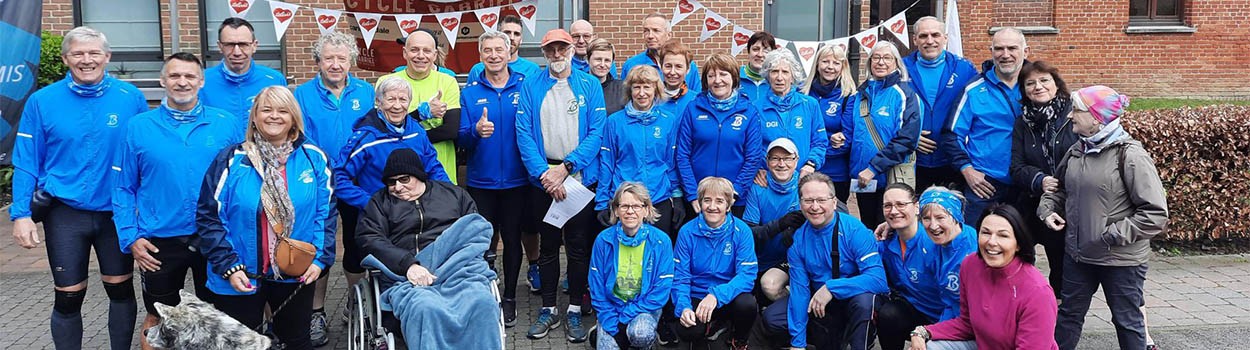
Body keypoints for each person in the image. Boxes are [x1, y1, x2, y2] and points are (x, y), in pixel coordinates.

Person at [11, 26, 147, 350]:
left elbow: (145, 156)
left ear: (107, 57)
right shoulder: (42, 102)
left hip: (116, 213)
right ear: (65, 59)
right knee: (69, 297)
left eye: (94, 53)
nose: (86, 60)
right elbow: (27, 161)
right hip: (64, 213)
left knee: (121, 290)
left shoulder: (132, 99)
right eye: (78, 53)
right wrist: (20, 214)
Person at [113, 52, 242, 350]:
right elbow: (122, 188)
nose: (182, 82)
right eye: (174, 76)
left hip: (215, 238)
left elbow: (241, 181)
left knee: (217, 317)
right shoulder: (138, 127)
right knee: (157, 317)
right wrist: (131, 237)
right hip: (159, 241)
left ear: (201, 81)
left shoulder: (226, 123)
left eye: (189, 76)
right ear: (163, 80)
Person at [197, 86, 333, 350]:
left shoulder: (314, 158)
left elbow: (325, 214)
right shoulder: (231, 160)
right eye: (266, 110)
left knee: (297, 342)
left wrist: (320, 259)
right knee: (238, 345)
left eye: (282, 110)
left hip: (295, 271)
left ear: (293, 117)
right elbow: (209, 216)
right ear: (254, 117)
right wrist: (229, 265)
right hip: (240, 274)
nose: (274, 116)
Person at [1039, 86, 1168, 350]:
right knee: (1067, 318)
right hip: (1078, 256)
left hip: (1120, 260)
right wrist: (1048, 209)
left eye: (1077, 110)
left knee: (1127, 322)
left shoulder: (1131, 155)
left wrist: (1111, 235)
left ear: (1097, 118)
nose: (1070, 116)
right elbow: (1060, 190)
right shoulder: (1077, 150)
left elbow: (1155, 214)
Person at [515, 28, 607, 343]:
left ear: (570, 50)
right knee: (549, 247)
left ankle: (574, 310)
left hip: (579, 178)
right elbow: (523, 133)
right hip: (544, 181)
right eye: (551, 49)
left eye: (562, 48)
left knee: (579, 248)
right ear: (544, 53)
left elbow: (597, 132)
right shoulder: (531, 85)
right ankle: (549, 308)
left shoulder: (589, 84)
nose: (557, 54)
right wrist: (546, 174)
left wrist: (566, 168)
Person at [292, 31, 375, 345]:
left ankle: (356, 303)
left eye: (342, 58)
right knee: (319, 248)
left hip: (357, 182)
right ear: (318, 62)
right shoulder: (302, 94)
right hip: (317, 184)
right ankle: (316, 313)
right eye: (329, 58)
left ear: (351, 61)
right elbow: (301, 139)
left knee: (357, 246)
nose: (336, 64)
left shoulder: (366, 92)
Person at [354, 148, 480, 345]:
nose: (397, 186)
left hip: (455, 271)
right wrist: (408, 265)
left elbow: (473, 230)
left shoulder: (454, 195)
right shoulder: (379, 203)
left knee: (481, 301)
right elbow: (369, 238)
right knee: (425, 307)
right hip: (405, 277)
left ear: (419, 175)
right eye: (391, 182)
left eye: (404, 179)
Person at [334, 77, 452, 286]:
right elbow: (339, 178)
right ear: (378, 102)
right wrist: (369, 203)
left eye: (403, 99)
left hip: (416, 210)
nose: (397, 105)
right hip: (383, 216)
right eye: (390, 100)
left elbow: (433, 166)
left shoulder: (416, 130)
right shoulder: (365, 137)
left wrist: (449, 194)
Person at [750, 172, 887, 350]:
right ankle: (821, 339)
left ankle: (860, 342)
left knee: (864, 303)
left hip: (851, 296)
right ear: (800, 204)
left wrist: (832, 287)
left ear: (834, 201)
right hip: (819, 299)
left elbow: (879, 280)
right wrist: (797, 344)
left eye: (821, 200)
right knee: (773, 318)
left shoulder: (854, 230)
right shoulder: (798, 238)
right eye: (808, 201)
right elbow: (799, 290)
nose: (815, 207)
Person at [908, 204, 1058, 350]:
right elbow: (967, 324)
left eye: (1003, 235)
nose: (991, 242)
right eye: (985, 233)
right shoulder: (970, 265)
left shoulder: (1038, 292)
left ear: (1018, 243)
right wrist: (923, 332)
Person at [457, 30, 529, 327]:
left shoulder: (525, 87)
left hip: (517, 180)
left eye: (500, 49)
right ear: (481, 54)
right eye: (488, 50)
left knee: (512, 239)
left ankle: (510, 296)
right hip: (481, 182)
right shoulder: (470, 92)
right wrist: (475, 131)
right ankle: (485, 296)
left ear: (510, 50)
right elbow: (460, 139)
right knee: (483, 242)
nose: (494, 55)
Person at [942, 28, 1030, 224]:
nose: (1005, 54)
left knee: (1022, 247)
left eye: (1012, 48)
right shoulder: (973, 89)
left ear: (1026, 52)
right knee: (973, 245)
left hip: (1026, 182)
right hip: (984, 184)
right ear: (991, 51)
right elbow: (951, 135)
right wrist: (967, 170)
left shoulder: (1038, 85)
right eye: (999, 48)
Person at [873, 184, 977, 349]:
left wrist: (929, 333)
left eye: (941, 217)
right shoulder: (940, 242)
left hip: (968, 326)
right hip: (927, 313)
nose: (933, 225)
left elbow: (960, 310)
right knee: (888, 313)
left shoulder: (969, 252)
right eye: (927, 218)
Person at [1008, 61, 1076, 297]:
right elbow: (1016, 167)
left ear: (1056, 84)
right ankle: (1025, 300)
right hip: (1033, 199)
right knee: (1019, 252)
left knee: (1061, 261)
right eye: (1030, 83)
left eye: (1044, 80)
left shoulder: (1074, 115)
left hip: (1068, 202)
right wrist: (1039, 180)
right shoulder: (1022, 123)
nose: (1038, 87)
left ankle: (1058, 310)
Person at [595, 65, 683, 236]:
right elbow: (607, 163)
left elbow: (671, 162)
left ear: (656, 89)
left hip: (658, 197)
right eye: (637, 87)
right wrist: (601, 202)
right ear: (630, 90)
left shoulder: (668, 121)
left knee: (657, 254)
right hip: (625, 200)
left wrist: (677, 196)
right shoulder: (614, 122)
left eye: (647, 87)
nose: (642, 93)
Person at [672, 177, 758, 349]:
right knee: (688, 331)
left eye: (719, 201)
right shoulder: (686, 232)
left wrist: (716, 295)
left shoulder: (742, 232)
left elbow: (747, 275)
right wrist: (684, 307)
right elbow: (680, 277)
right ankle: (710, 325)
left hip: (728, 294)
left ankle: (739, 339)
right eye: (707, 200)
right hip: (697, 295)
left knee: (747, 304)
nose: (712, 206)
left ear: (728, 205)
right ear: (700, 203)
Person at [675, 53, 764, 218]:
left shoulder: (749, 112)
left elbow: (753, 158)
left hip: (734, 200)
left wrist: (734, 193)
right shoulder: (692, 109)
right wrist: (693, 194)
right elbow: (682, 155)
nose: (717, 80)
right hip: (699, 200)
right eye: (711, 75)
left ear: (734, 78)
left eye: (723, 74)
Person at [588, 183, 676, 350]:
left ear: (646, 210)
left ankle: (643, 342)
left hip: (644, 308)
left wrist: (625, 317)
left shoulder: (661, 241)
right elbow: (596, 286)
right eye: (625, 206)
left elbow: (661, 291)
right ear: (616, 210)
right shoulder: (603, 240)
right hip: (612, 308)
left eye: (636, 206)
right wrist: (612, 323)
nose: (630, 211)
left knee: (641, 334)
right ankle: (603, 331)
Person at [902, 17, 978, 192]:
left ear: (945, 38)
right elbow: (886, 112)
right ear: (915, 40)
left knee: (949, 215)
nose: (930, 41)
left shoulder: (964, 69)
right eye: (923, 36)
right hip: (913, 161)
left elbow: (978, 111)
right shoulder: (901, 68)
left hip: (951, 160)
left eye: (935, 35)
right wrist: (909, 137)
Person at [377, 29, 463, 184]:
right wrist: (423, 113)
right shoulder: (386, 82)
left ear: (435, 55)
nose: (421, 56)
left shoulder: (448, 81)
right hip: (399, 178)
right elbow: (383, 130)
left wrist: (404, 135)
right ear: (404, 53)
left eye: (427, 51)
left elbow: (450, 130)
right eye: (414, 50)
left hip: (440, 174)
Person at [851, 42, 922, 228]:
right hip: (864, 180)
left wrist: (873, 168)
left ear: (896, 63)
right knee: (868, 227)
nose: (881, 62)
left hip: (890, 175)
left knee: (892, 229)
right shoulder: (860, 95)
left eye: (887, 58)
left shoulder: (904, 94)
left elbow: (907, 140)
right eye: (876, 57)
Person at [741, 138, 807, 304]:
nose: (781, 164)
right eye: (775, 158)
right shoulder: (758, 187)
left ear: (797, 160)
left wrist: (796, 231)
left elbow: (834, 212)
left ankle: (806, 310)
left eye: (787, 158)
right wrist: (779, 225)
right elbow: (749, 233)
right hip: (765, 260)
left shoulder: (806, 185)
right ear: (767, 161)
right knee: (766, 288)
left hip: (798, 258)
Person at [755, 49, 827, 183]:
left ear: (793, 76)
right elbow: (751, 146)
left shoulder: (810, 105)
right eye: (774, 71)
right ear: (767, 76)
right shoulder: (755, 108)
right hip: (767, 181)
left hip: (802, 179)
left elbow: (820, 142)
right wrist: (757, 168)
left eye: (785, 72)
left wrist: (811, 164)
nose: (779, 77)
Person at [200, 18, 287, 119]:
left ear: (254, 46)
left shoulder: (274, 80)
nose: (237, 52)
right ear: (220, 46)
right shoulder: (202, 82)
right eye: (230, 45)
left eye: (243, 44)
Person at [805, 44, 859, 203]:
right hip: (805, 169)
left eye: (836, 63)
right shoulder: (803, 93)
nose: (830, 67)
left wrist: (816, 156)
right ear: (817, 64)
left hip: (836, 172)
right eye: (825, 61)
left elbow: (847, 139)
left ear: (843, 67)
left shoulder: (849, 96)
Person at [621, 12, 701, 93]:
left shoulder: (686, 64)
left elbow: (697, 97)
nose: (650, 36)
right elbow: (624, 98)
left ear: (668, 35)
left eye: (656, 31)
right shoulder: (631, 65)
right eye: (646, 31)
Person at [468, 15, 542, 80]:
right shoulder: (478, 69)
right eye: (507, 33)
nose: (512, 37)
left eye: (516, 34)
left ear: (521, 39)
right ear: (498, 35)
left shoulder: (532, 69)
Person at [587, 38, 628, 115]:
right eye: (598, 59)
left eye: (607, 60)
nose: (602, 65)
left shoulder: (623, 89)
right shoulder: (579, 86)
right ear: (587, 59)